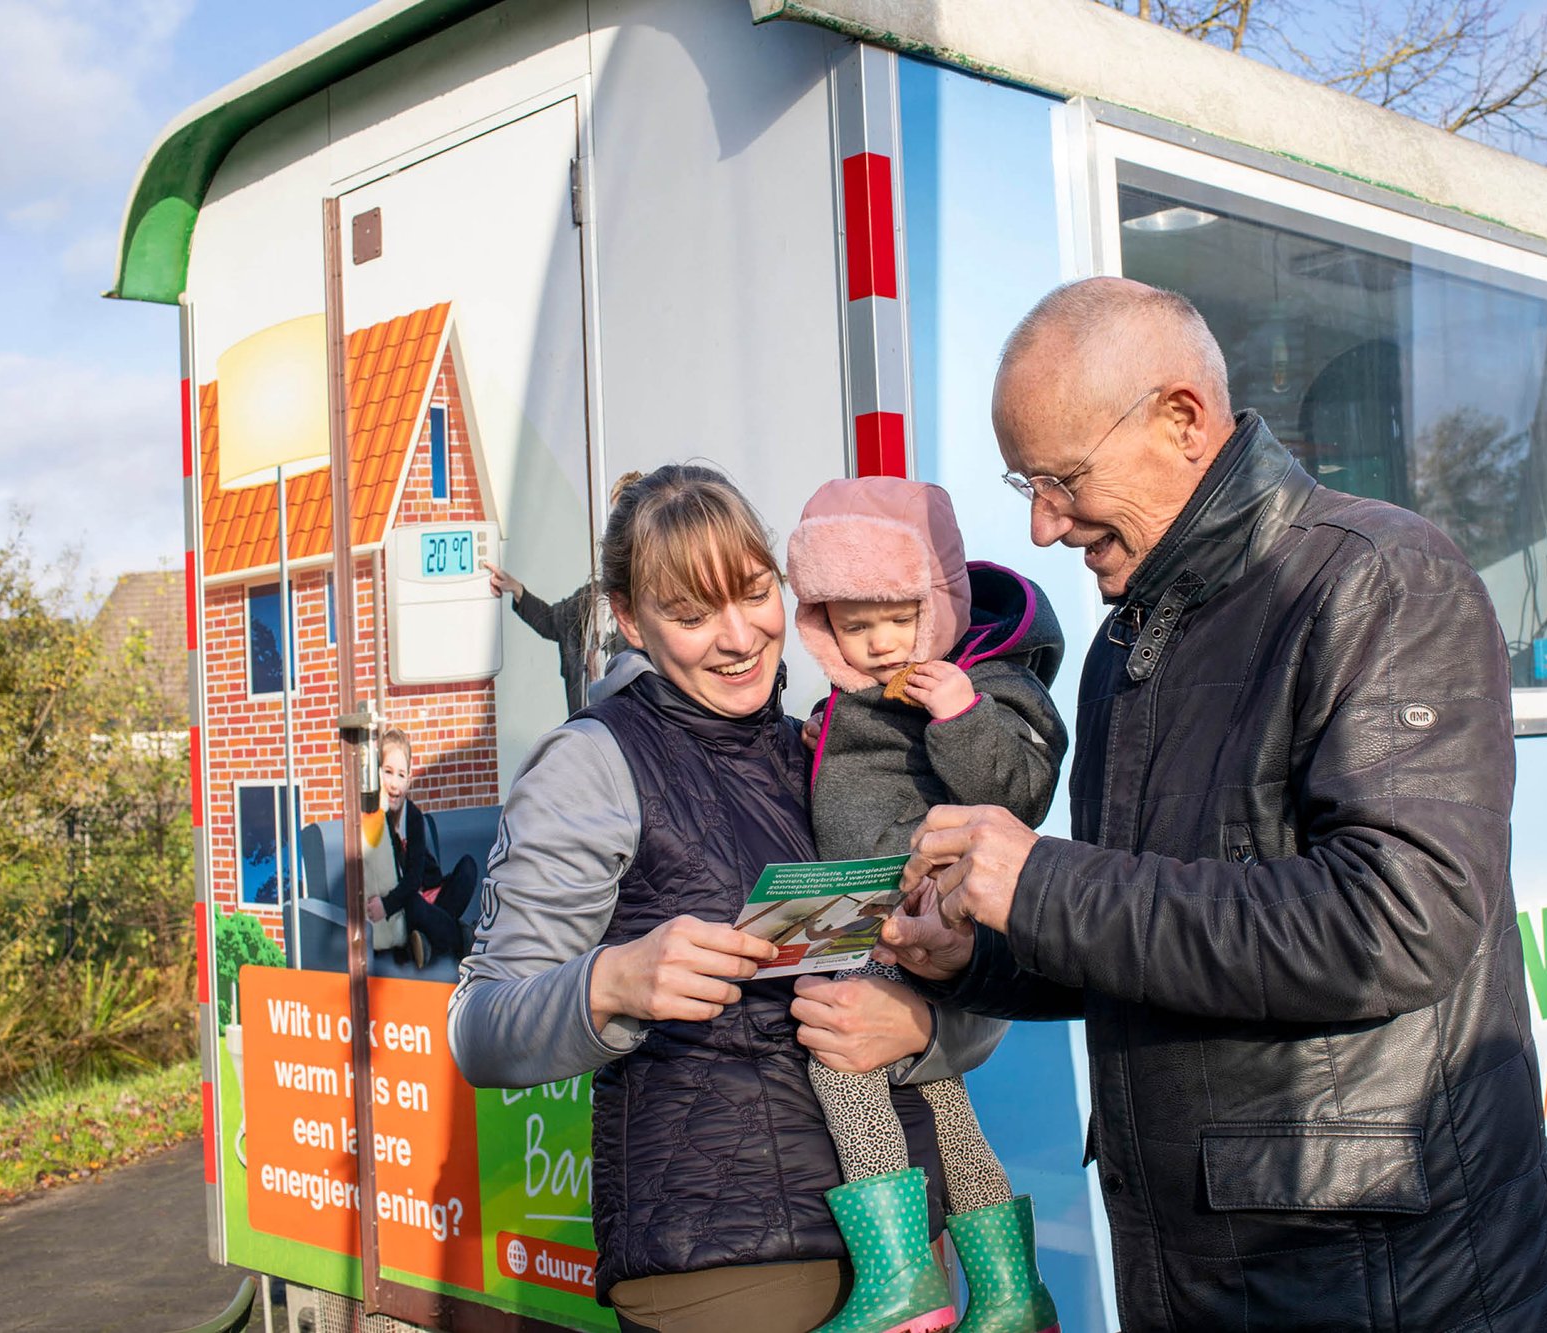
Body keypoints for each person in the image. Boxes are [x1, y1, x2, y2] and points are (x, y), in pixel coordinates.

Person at [877, 278, 1547, 1331]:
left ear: (1181, 418)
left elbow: (1392, 919)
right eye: (1024, 482)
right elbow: (1156, 935)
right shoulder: (1128, 643)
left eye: (1061, 479)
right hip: (1208, 1263)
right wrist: (978, 947)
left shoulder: (1379, 578)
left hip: (1373, 1276)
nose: (1038, 525)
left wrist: (1040, 880)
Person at [448, 465, 1006, 1333]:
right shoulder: (593, 762)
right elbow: (480, 1027)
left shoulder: (830, 755)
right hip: (727, 1277)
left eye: (754, 593)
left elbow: (975, 983)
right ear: (630, 619)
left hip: (910, 1267)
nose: (739, 635)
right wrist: (613, 984)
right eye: (692, 612)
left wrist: (927, 1027)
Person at [784, 476, 1068, 1333]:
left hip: (922, 913)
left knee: (841, 1062)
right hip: (887, 909)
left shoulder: (977, 683)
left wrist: (961, 713)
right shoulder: (857, 699)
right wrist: (819, 746)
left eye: (895, 623)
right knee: (944, 1099)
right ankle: (1012, 1290)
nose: (875, 647)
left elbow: (1017, 791)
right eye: (851, 627)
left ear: (937, 606)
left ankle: (902, 1275)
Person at [363, 727, 476, 970]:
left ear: (409, 779)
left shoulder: (411, 816)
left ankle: (429, 941)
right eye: (388, 773)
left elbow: (417, 876)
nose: (394, 784)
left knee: (468, 866)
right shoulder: (376, 820)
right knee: (413, 903)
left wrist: (387, 905)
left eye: (401, 775)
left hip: (434, 895)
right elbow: (405, 885)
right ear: (377, 773)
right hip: (409, 905)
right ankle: (464, 938)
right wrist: (387, 905)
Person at [482, 562, 605, 715]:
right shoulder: (588, 601)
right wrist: (516, 588)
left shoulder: (637, 613)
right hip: (586, 722)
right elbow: (550, 621)